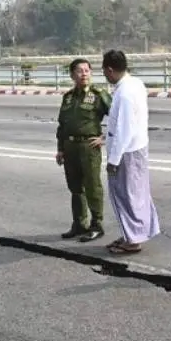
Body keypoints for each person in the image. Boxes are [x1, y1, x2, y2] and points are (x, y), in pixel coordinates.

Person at [102, 49, 160, 254]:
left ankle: (133, 240)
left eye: (104, 71)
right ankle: (133, 233)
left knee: (125, 196)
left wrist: (114, 160)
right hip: (138, 148)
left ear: (109, 70)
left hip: (127, 152)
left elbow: (124, 129)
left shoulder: (124, 93)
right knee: (138, 194)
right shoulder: (135, 83)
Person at [56, 58, 112, 243]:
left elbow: (118, 116)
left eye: (87, 70)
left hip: (89, 147)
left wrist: (105, 138)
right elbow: (62, 125)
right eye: (80, 71)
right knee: (75, 188)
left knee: (92, 186)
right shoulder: (68, 97)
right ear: (72, 75)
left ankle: (97, 224)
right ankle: (79, 224)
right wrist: (60, 149)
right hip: (70, 147)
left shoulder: (98, 94)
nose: (84, 74)